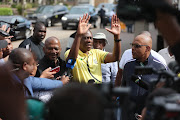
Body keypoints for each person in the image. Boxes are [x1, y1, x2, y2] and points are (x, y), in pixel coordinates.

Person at [65, 14, 121, 83]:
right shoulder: (70, 53)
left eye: (90, 38)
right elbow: (71, 60)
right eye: (85, 38)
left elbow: (115, 57)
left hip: (96, 91)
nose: (89, 40)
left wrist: (117, 37)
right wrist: (78, 35)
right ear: (79, 40)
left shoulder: (97, 53)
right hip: (80, 91)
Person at [121, 33, 168, 115]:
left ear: (147, 48)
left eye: (137, 46)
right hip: (129, 114)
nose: (132, 49)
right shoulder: (128, 66)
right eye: (132, 45)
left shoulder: (160, 67)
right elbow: (123, 89)